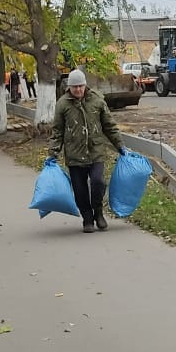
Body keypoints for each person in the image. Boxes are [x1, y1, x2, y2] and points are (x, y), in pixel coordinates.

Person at [48, 69, 124, 233]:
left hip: (95, 151)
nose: (78, 90)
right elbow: (57, 132)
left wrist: (120, 146)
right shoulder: (62, 104)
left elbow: (109, 126)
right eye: (74, 87)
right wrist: (53, 154)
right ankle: (87, 219)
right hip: (74, 155)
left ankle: (98, 212)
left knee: (98, 182)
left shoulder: (97, 100)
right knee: (80, 190)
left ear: (85, 85)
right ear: (69, 87)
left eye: (81, 86)